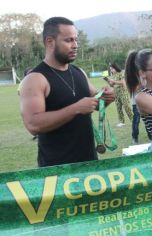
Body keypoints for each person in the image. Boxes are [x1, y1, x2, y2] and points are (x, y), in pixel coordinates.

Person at [20, 17, 115, 167]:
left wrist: (106, 98)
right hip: (57, 169)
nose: (75, 45)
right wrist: (76, 109)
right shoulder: (35, 79)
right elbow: (33, 125)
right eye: (68, 40)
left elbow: (95, 104)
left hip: (89, 162)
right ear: (50, 42)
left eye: (76, 40)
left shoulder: (79, 72)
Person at [107, 63, 133, 127]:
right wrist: (109, 82)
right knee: (119, 108)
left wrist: (113, 81)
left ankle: (133, 120)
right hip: (116, 93)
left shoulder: (121, 73)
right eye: (110, 69)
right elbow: (112, 85)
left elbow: (123, 83)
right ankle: (121, 122)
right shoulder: (113, 75)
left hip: (123, 93)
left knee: (126, 107)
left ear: (115, 68)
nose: (111, 70)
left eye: (112, 69)